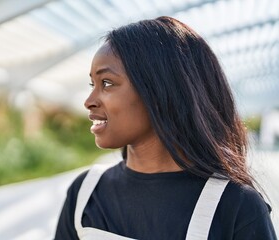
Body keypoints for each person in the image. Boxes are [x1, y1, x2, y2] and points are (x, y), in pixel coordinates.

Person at [54, 16, 277, 239]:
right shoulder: (85, 194)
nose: (89, 101)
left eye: (107, 83)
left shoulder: (236, 207)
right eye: (93, 84)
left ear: (161, 90)